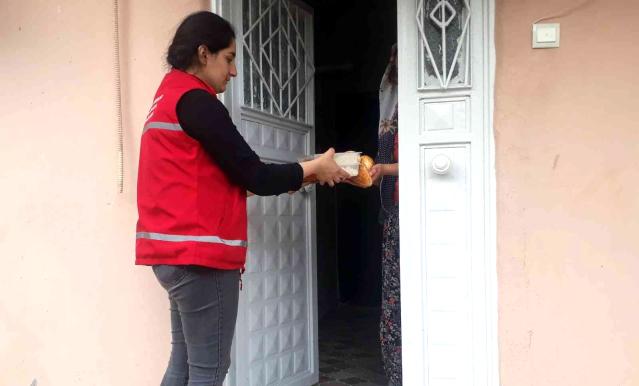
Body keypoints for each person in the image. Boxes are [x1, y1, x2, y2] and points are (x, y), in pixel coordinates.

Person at [135, 11, 350, 386]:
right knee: (208, 371)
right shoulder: (197, 102)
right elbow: (256, 176)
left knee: (183, 365)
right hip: (200, 256)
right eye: (229, 58)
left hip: (173, 254)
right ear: (204, 53)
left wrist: (308, 171)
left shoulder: (168, 97)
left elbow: (235, 177)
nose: (233, 72)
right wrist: (315, 166)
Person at [370, 43, 402, 386]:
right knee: (394, 299)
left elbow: (431, 157)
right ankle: (398, 375)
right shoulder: (391, 116)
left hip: (423, 215)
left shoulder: (421, 108)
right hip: (394, 214)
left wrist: (384, 169)